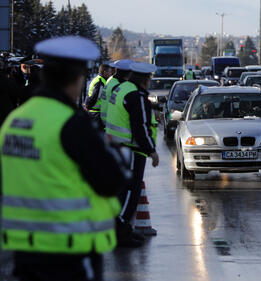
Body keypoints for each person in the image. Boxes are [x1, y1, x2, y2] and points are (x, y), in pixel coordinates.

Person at [0, 36, 133, 281]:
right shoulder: (71, 124)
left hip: (23, 250)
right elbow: (113, 180)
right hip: (70, 251)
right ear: (77, 79)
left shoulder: (14, 121)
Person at [105, 62, 159, 247]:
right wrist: (151, 150)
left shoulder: (121, 88)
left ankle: (123, 228)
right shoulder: (137, 96)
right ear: (145, 80)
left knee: (121, 190)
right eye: (149, 79)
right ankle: (120, 231)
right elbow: (140, 127)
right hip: (132, 149)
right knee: (130, 191)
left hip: (117, 147)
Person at [100, 59, 133, 125]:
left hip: (106, 119)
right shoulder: (118, 86)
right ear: (128, 73)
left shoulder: (111, 79)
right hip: (112, 121)